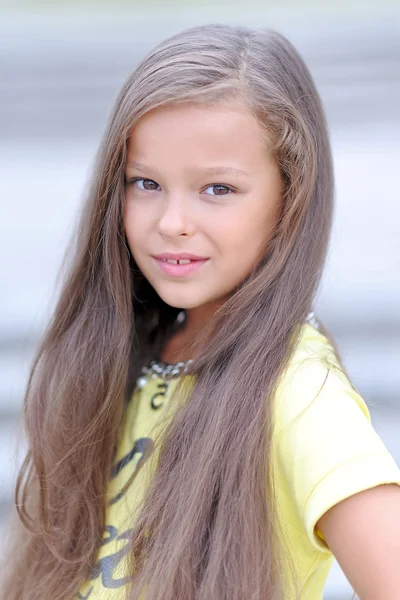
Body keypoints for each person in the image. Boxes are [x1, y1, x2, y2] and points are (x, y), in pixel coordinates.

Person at [2, 23, 400, 600]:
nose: (170, 223)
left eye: (217, 189)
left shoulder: (299, 395)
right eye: (146, 183)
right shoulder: (125, 355)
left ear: (291, 197)